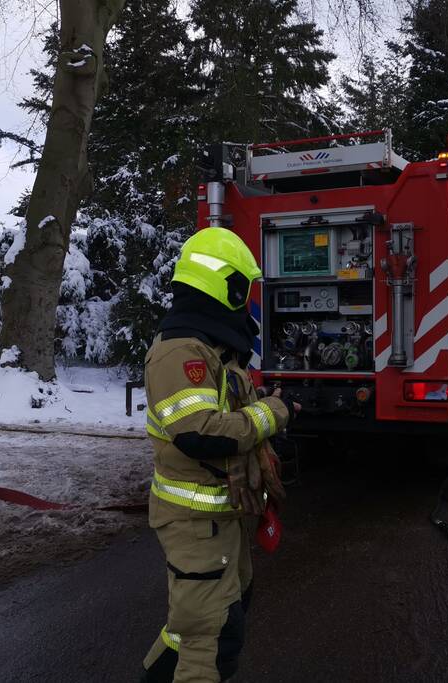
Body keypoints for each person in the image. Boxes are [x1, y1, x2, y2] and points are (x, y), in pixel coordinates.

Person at [140, 227, 299, 683]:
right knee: (209, 639)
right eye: (243, 289)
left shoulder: (210, 347)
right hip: (194, 524)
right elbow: (200, 434)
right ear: (226, 286)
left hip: (220, 520)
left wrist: (268, 404)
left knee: (204, 624)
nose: (246, 301)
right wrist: (273, 413)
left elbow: (224, 410)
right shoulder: (179, 352)